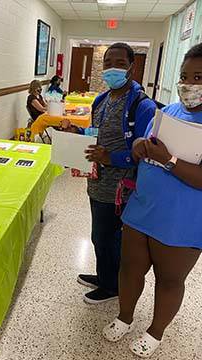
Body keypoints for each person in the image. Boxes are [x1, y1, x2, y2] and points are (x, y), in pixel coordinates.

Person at [103, 43, 202, 358]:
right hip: (143, 206)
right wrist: (140, 148)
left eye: (199, 77)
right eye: (185, 76)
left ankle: (156, 331)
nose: (189, 84)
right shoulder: (168, 112)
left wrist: (169, 159)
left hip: (182, 218)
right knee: (130, 267)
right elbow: (140, 151)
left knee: (169, 279)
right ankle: (125, 316)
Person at [64, 43, 156, 304]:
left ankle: (112, 286)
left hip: (121, 188)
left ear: (131, 66)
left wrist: (110, 157)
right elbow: (96, 137)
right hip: (97, 181)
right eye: (107, 63)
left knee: (108, 236)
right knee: (100, 235)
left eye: (118, 62)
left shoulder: (142, 106)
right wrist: (77, 134)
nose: (112, 68)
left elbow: (144, 153)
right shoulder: (101, 100)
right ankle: (104, 275)